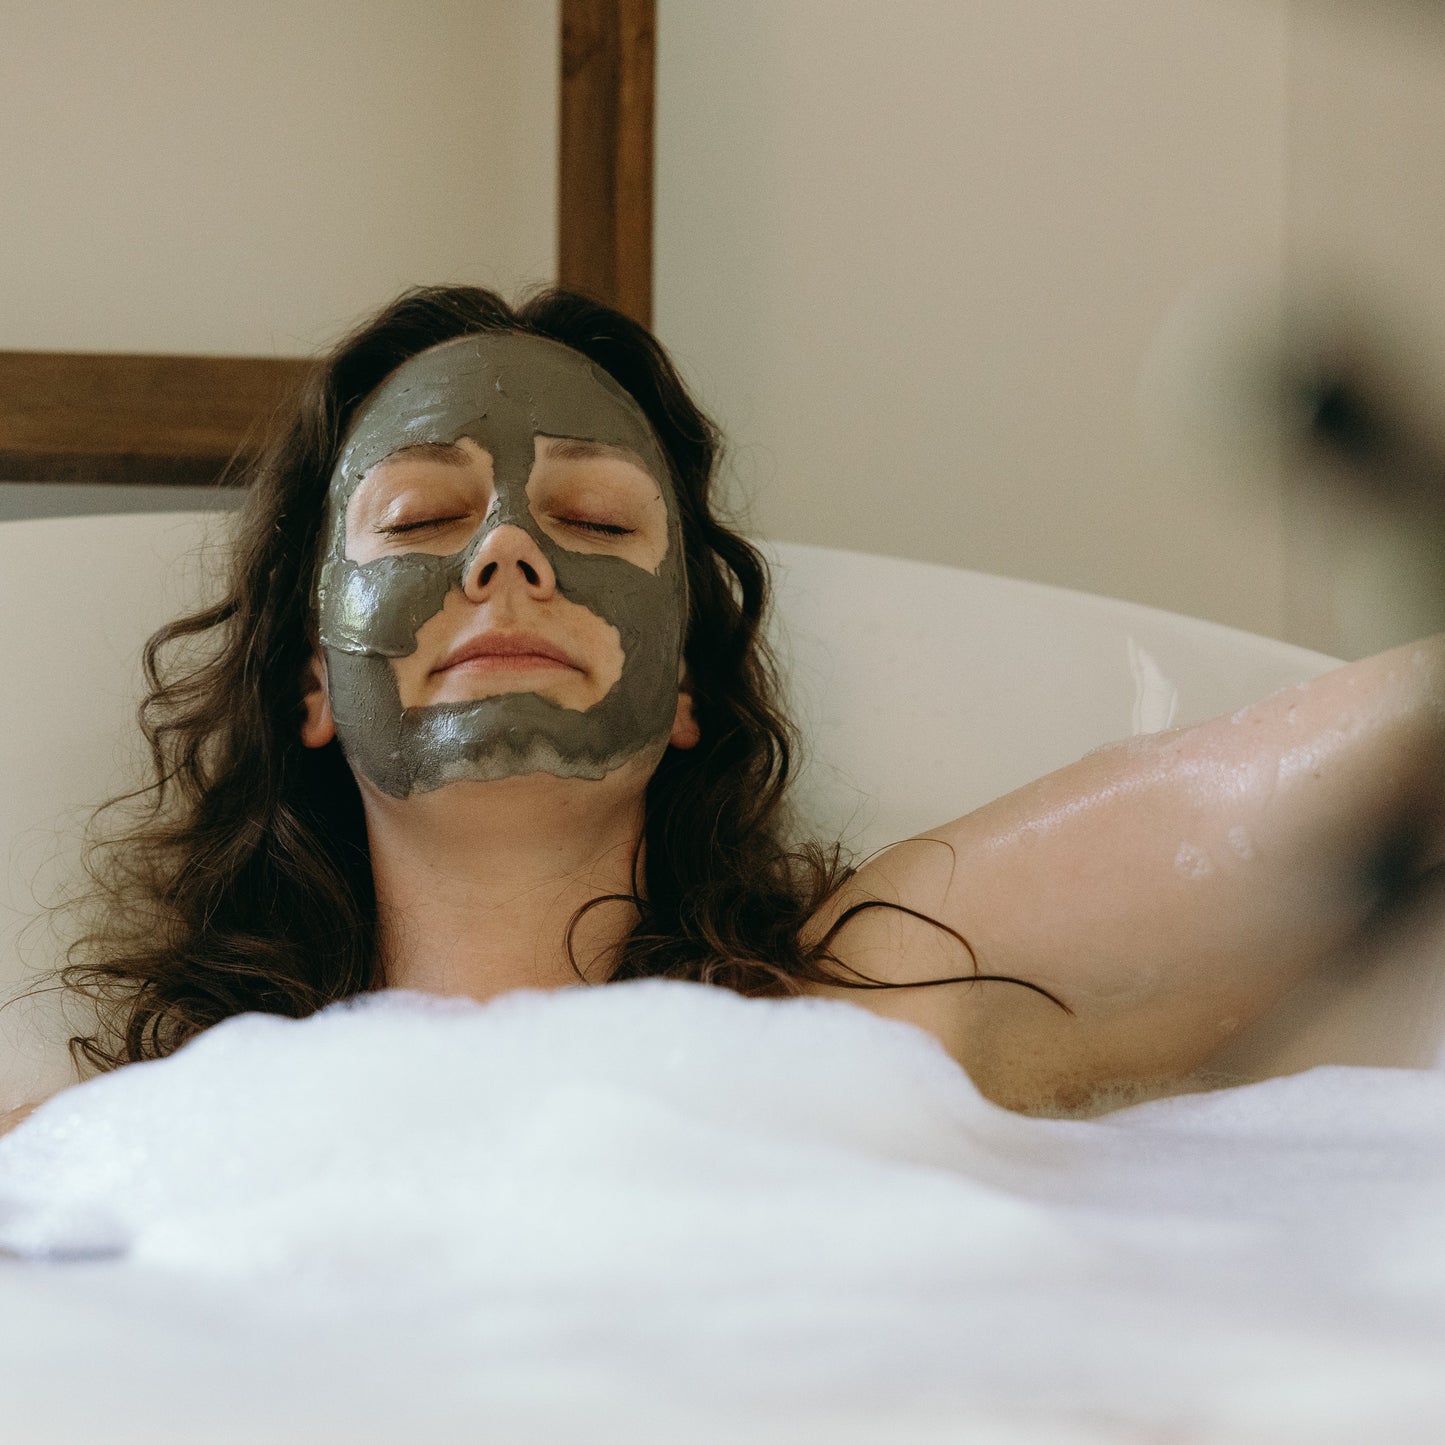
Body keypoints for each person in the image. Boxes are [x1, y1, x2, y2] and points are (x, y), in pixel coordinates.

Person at [5, 283, 1444, 1134]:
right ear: (312, 681)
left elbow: (1260, 801)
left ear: (686, 682)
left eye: (589, 517)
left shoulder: (858, 1011)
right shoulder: (144, 1146)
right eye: (425, 515)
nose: (506, 553)